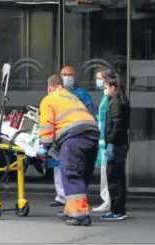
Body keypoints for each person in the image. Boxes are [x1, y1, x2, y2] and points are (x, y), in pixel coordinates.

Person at [37, 74, 100, 226]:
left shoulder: (48, 100)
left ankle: (80, 216)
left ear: (50, 88)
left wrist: (44, 147)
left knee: (71, 174)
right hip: (92, 134)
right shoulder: (72, 97)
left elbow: (47, 126)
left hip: (73, 137)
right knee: (81, 175)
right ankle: (71, 210)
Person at [49, 66, 98, 207]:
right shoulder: (55, 96)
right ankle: (61, 197)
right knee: (59, 166)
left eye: (69, 74)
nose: (67, 77)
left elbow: (90, 112)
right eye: (64, 74)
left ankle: (74, 201)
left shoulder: (81, 94)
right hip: (62, 134)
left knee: (73, 169)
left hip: (74, 135)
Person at [100, 71, 130, 221]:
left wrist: (110, 142)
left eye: (106, 85)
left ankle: (116, 210)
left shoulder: (116, 103)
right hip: (120, 144)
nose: (104, 89)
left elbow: (117, 125)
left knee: (114, 179)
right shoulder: (121, 101)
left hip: (116, 145)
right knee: (117, 178)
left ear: (113, 87)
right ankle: (119, 209)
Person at [92, 68, 112, 213]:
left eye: (99, 78)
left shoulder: (109, 98)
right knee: (105, 173)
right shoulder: (106, 97)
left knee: (107, 174)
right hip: (103, 140)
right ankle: (107, 200)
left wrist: (104, 140)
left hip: (106, 140)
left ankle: (107, 201)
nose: (97, 81)